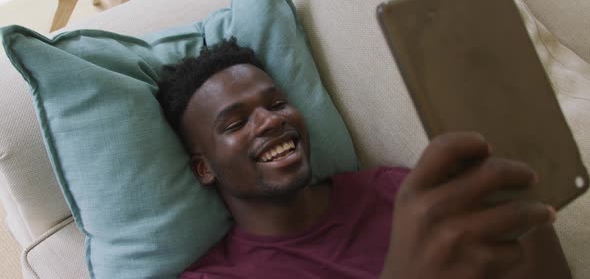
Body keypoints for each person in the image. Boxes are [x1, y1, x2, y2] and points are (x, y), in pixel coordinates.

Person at [157, 38, 571, 279]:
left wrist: (519, 194)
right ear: (204, 167)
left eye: (278, 103)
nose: (269, 121)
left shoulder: (399, 192)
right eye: (235, 123)